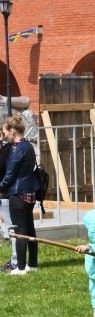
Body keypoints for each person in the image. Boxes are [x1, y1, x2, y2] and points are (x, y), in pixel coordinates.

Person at [0, 115, 39, 275]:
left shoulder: (16, 149)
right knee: (29, 229)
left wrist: (0, 187)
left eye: (5, 133)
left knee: (19, 231)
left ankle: (21, 267)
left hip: (18, 193)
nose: (5, 136)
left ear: (12, 131)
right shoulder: (28, 145)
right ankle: (33, 264)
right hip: (30, 192)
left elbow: (9, 175)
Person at [0, 122, 18, 272]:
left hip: (7, 193)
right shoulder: (10, 148)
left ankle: (16, 260)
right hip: (7, 193)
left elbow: (4, 171)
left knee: (13, 228)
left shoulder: (8, 149)